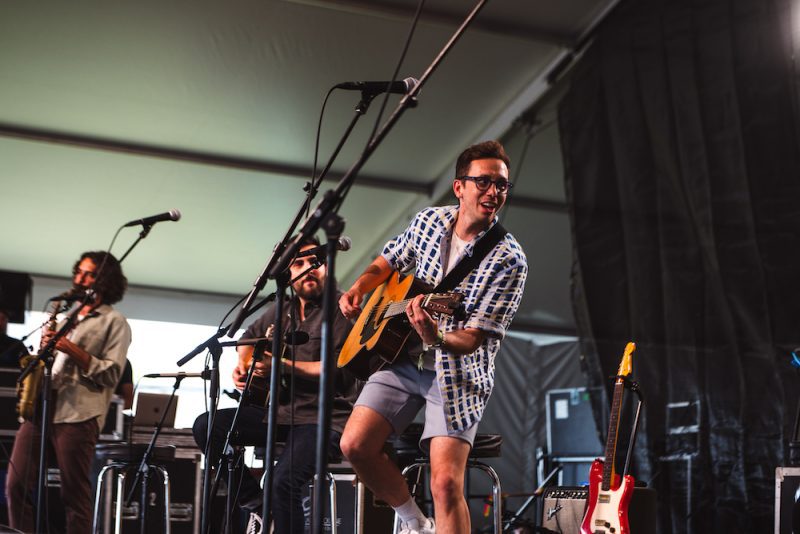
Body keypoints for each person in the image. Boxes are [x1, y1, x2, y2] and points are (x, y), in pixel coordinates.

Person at [338, 140, 528, 534]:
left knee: (444, 483)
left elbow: (473, 337)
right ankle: (415, 523)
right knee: (354, 446)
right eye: (484, 182)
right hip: (402, 359)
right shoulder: (428, 221)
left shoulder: (509, 259)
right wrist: (360, 287)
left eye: (502, 185)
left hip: (456, 373)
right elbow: (389, 258)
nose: (494, 192)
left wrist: (436, 337)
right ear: (459, 187)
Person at [192, 235, 359, 534]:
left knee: (283, 481)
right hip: (278, 414)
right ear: (287, 273)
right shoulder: (282, 309)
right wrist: (244, 366)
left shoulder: (342, 307)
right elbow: (246, 337)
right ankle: (258, 504)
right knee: (208, 426)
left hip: (324, 420)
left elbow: (339, 370)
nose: (309, 269)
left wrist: (280, 365)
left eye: (315, 262)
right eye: (299, 263)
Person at [6, 251, 131, 534]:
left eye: (88, 274)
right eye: (78, 271)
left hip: (78, 415)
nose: (79, 279)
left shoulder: (115, 322)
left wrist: (70, 348)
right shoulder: (65, 316)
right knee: (15, 486)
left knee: (73, 495)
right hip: (41, 407)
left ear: (105, 280)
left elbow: (112, 373)